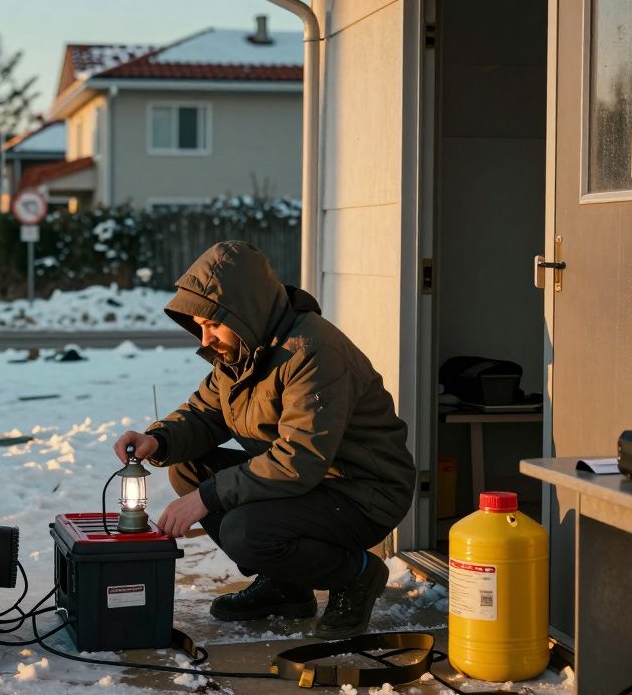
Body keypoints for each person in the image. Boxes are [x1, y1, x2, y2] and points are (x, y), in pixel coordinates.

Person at [114, 241, 415, 639]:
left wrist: (207, 498)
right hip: (310, 483)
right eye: (200, 327)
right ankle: (286, 587)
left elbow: (297, 459)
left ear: (244, 310)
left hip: (361, 492)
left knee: (245, 531)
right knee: (188, 468)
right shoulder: (244, 350)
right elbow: (206, 412)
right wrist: (159, 439)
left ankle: (358, 575)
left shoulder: (311, 352)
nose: (205, 340)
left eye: (212, 324)